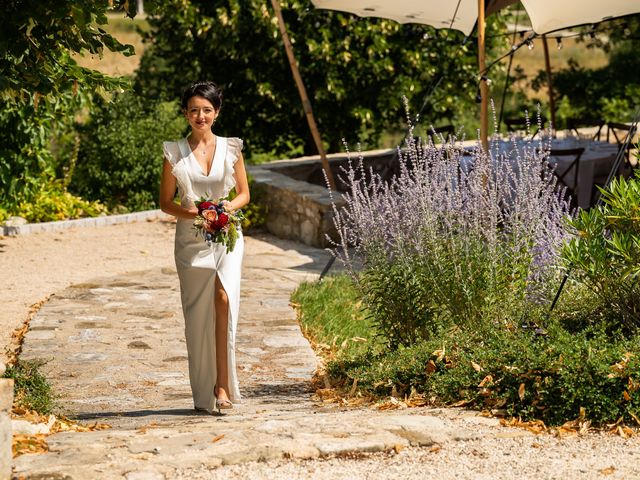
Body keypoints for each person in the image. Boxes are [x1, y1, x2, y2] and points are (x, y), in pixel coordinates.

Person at [159, 81, 250, 413]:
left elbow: (243, 193)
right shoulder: (174, 152)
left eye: (207, 110)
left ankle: (223, 386)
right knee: (198, 314)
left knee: (224, 299)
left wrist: (224, 211)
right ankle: (203, 390)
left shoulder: (231, 149)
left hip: (227, 235)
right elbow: (165, 202)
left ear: (217, 113)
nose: (201, 116)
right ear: (186, 113)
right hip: (191, 241)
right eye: (194, 110)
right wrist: (197, 213)